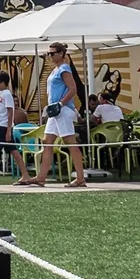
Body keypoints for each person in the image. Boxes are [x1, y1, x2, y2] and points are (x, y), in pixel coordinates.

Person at [29, 42, 87, 188]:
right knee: (47, 141)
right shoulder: (55, 69)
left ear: (61, 54)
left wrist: (61, 104)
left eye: (52, 53)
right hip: (54, 111)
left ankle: (80, 178)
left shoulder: (64, 68)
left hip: (63, 110)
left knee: (70, 143)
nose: (49, 56)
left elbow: (73, 89)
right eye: (48, 53)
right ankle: (41, 177)